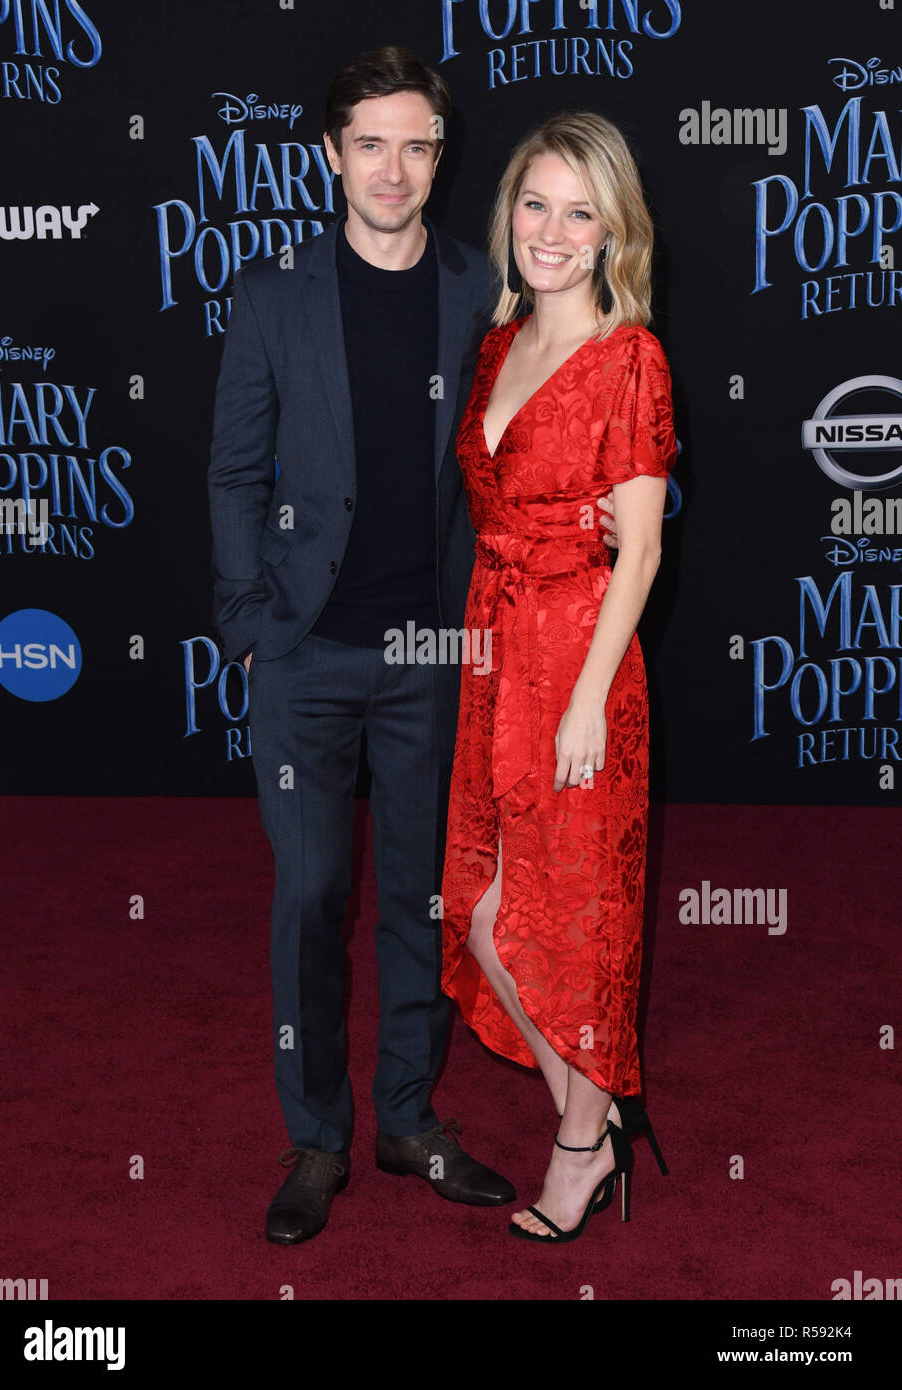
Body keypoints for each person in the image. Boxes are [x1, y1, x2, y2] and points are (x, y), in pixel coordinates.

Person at [208, 46, 616, 1246]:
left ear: (442, 158)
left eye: (418, 144)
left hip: (439, 652)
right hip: (301, 650)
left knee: (427, 901)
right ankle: (317, 1135)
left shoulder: (476, 288)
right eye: (370, 143)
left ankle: (405, 1117)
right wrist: (245, 623)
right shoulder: (273, 292)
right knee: (310, 895)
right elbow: (234, 472)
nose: (394, 168)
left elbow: (556, 403)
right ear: (332, 155)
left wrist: (591, 501)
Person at [440, 110, 676, 1243]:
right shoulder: (496, 346)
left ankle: (579, 1146)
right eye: (534, 203)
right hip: (496, 655)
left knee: (568, 926)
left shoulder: (628, 357)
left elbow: (641, 548)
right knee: (483, 910)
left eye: (578, 211)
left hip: (580, 664)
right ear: (509, 215)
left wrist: (586, 694)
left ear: (609, 234)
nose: (550, 229)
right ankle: (593, 1122)